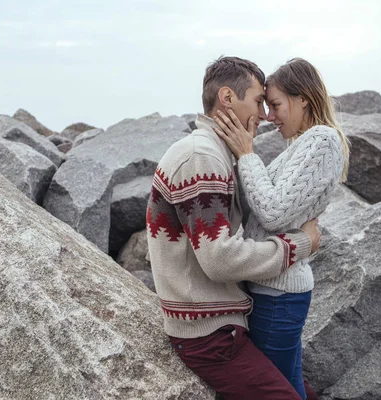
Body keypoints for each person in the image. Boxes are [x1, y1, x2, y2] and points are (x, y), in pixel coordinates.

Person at [146, 56, 321, 400]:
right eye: (258, 102)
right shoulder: (202, 157)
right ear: (227, 98)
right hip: (208, 335)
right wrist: (297, 244)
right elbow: (220, 259)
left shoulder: (219, 153)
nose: (265, 115)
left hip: (224, 323)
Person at [212, 57, 350, 399]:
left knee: (274, 391)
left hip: (279, 294)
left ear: (303, 97)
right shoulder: (302, 144)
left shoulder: (321, 141)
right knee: (288, 387)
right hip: (275, 288)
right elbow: (264, 209)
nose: (270, 117)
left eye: (275, 105)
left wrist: (246, 154)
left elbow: (272, 213)